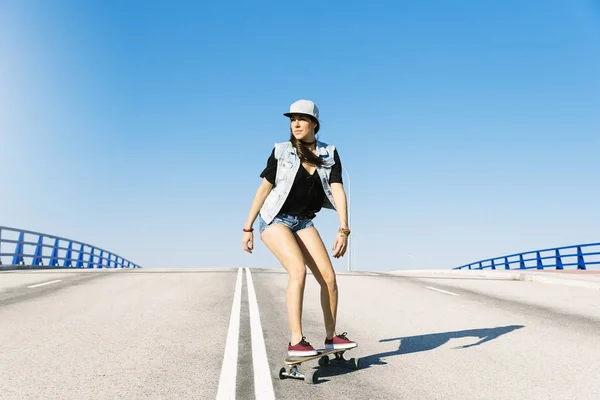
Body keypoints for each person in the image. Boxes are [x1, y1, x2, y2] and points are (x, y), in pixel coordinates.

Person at [241, 99, 358, 357]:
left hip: (304, 221)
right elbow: (264, 189)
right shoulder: (281, 151)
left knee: (328, 277)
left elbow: (337, 189)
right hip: (274, 219)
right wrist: (247, 227)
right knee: (298, 270)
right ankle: (296, 341)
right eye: (292, 119)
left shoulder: (329, 153)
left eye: (301, 119)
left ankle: (331, 337)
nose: (295, 123)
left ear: (314, 124)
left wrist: (344, 229)